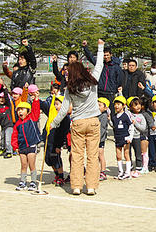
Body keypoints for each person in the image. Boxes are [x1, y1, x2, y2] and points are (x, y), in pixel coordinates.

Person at [51, 39, 105, 196]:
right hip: (94, 121)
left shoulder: (70, 88)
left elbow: (63, 110)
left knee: (77, 155)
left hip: (78, 123)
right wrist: (100, 47)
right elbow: (99, 65)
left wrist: (54, 123)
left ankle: (76, 186)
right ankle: (91, 186)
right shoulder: (93, 82)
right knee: (93, 156)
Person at [83, 40, 123, 114]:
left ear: (111, 55)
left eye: (107, 55)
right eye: (104, 55)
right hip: (100, 91)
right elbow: (90, 57)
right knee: (98, 111)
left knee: (111, 111)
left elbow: (119, 79)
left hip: (110, 92)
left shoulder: (116, 67)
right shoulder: (100, 64)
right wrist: (85, 47)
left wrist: (115, 89)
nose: (106, 57)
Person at [12, 96, 41, 191]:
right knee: (23, 164)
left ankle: (33, 182)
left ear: (28, 111)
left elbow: (36, 110)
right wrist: (15, 146)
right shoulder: (17, 124)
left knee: (31, 164)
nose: (20, 112)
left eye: (22, 109)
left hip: (32, 145)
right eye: (18, 110)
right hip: (22, 147)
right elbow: (14, 136)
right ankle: (23, 182)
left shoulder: (32, 118)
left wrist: (36, 100)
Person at [41, 95, 70, 186]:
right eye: (55, 104)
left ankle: (60, 176)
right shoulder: (52, 114)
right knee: (48, 160)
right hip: (48, 141)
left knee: (56, 159)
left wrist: (58, 146)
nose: (56, 106)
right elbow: (43, 106)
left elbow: (62, 134)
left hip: (56, 143)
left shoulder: (65, 118)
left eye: (58, 104)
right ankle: (57, 174)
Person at [110, 96, 134, 180]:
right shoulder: (114, 117)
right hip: (117, 138)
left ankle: (127, 172)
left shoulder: (125, 116)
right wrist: (109, 119)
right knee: (118, 155)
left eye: (118, 104)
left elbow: (131, 127)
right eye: (115, 104)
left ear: (123, 105)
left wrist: (130, 137)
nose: (116, 106)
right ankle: (120, 172)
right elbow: (113, 126)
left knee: (126, 154)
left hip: (125, 137)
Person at [139, 96, 154, 174]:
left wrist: (152, 126)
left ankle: (145, 167)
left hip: (145, 134)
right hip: (139, 134)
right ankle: (142, 165)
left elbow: (151, 122)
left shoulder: (146, 114)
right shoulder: (139, 113)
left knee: (144, 152)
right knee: (141, 152)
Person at [0, 88, 14, 159]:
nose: (1, 100)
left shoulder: (8, 105)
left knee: (8, 139)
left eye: (3, 98)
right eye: (0, 98)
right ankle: (2, 148)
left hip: (9, 125)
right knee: (2, 138)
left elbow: (7, 98)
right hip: (3, 125)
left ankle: (9, 151)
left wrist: (4, 89)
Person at [97, 97, 110, 181]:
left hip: (100, 139)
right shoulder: (97, 114)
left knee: (100, 155)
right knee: (96, 156)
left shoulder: (104, 116)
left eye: (100, 105)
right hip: (95, 138)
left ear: (105, 108)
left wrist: (99, 139)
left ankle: (103, 171)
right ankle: (97, 171)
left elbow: (102, 129)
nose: (97, 107)